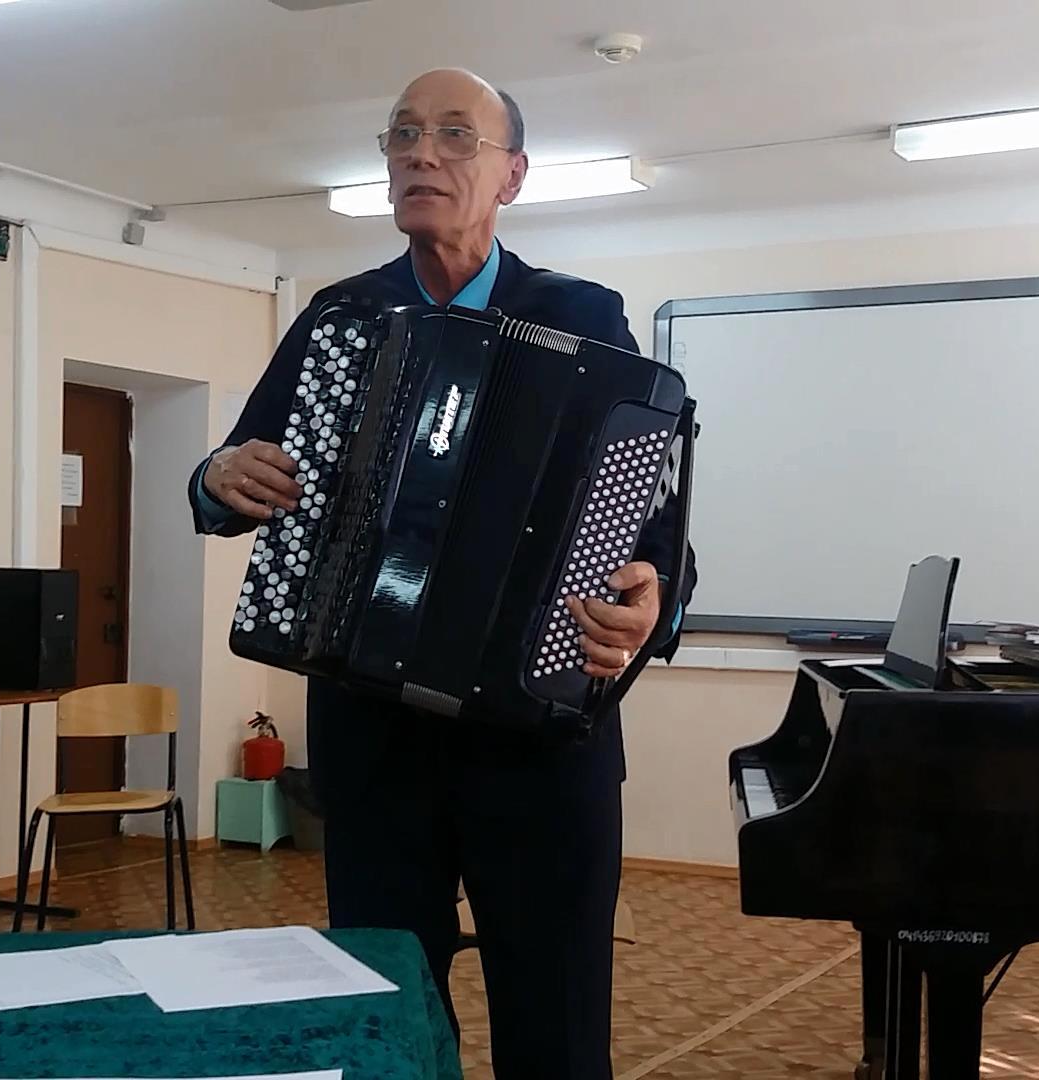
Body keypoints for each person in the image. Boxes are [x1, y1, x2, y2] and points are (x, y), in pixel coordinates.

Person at [186, 68, 696, 1080]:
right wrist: (215, 475)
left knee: (557, 1035)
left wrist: (652, 600)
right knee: (388, 1027)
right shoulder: (342, 318)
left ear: (512, 175)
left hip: (540, 747)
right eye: (404, 134)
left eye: (456, 134)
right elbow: (238, 473)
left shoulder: (584, 316)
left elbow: (658, 527)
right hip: (375, 747)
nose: (423, 152)